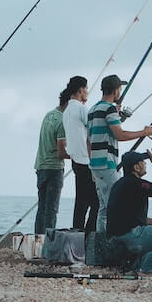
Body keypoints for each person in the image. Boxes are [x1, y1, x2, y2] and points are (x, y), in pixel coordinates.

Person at [88, 74, 152, 232]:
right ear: (116, 91)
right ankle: (111, 242)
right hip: (107, 162)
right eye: (120, 88)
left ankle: (101, 242)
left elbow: (89, 139)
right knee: (115, 204)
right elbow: (120, 135)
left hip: (95, 164)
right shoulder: (109, 109)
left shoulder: (93, 109)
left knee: (104, 207)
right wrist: (144, 133)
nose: (120, 92)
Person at [60, 75, 97, 231]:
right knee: (97, 203)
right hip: (86, 161)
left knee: (81, 203)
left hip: (75, 161)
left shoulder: (67, 110)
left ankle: (77, 234)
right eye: (86, 89)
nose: (87, 92)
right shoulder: (82, 109)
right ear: (81, 90)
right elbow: (92, 134)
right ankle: (89, 236)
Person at [33, 87, 70, 234]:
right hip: (54, 168)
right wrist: (77, 155)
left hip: (40, 166)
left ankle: (38, 240)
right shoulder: (62, 121)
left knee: (42, 207)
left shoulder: (48, 115)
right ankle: (49, 242)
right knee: (52, 209)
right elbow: (61, 152)